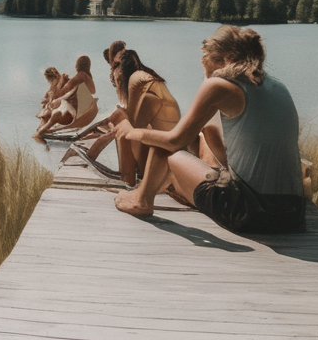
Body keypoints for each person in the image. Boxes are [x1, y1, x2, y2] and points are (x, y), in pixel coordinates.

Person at [112, 26, 306, 234]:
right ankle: (143, 192)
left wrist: (132, 132)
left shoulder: (220, 86)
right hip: (293, 215)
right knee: (190, 152)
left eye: (206, 57)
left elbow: (173, 141)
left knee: (165, 145)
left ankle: (141, 200)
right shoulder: (277, 86)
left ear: (223, 58)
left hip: (250, 213)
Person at [86, 47, 183, 184]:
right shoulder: (150, 83)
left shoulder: (145, 92)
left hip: (163, 164)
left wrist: (105, 137)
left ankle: (127, 179)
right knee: (119, 116)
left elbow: (132, 126)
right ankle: (123, 174)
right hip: (163, 153)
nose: (118, 83)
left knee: (120, 118)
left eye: (119, 80)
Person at [36, 55, 98, 137]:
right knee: (52, 105)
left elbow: (59, 94)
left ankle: (42, 131)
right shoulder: (87, 77)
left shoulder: (80, 76)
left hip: (77, 110)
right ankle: (45, 128)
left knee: (52, 105)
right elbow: (93, 91)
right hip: (86, 109)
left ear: (78, 66)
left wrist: (62, 82)